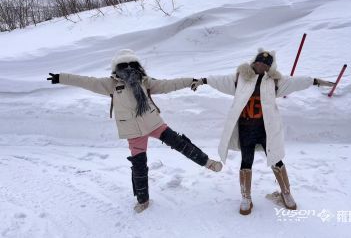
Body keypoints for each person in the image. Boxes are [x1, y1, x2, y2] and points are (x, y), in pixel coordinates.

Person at [47, 49, 222, 213]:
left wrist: (189, 80)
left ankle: (208, 163)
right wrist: (61, 78)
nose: (129, 68)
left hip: (153, 123)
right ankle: (143, 200)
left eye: (132, 64)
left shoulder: (145, 82)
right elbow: (86, 81)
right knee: (138, 166)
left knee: (180, 143)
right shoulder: (111, 84)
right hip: (133, 131)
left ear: (138, 66)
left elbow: (169, 84)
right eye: (124, 65)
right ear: (117, 68)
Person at [191, 48, 334, 215]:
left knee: (276, 159)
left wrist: (315, 81)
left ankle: (287, 196)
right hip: (245, 129)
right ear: (254, 63)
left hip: (266, 129)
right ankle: (246, 200)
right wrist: (203, 80)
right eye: (259, 63)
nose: (262, 66)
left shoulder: (274, 81)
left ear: (270, 67)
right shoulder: (241, 78)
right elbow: (221, 81)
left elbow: (296, 82)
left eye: (266, 64)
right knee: (246, 161)